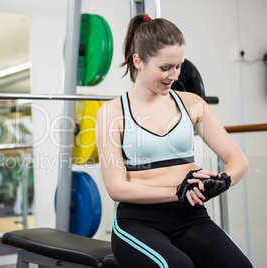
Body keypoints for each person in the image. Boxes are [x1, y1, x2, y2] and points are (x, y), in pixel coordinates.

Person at [96, 13, 254, 268]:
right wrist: (176, 192)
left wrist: (223, 181)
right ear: (138, 61)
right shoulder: (113, 113)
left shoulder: (192, 104)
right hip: (137, 223)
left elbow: (238, 160)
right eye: (165, 68)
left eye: (178, 66)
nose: (174, 75)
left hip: (192, 219)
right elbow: (116, 188)